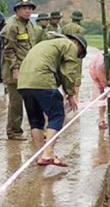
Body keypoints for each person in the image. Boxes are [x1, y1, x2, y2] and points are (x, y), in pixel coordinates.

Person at [17, 33, 88, 168]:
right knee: (57, 115)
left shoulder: (46, 44)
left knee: (36, 120)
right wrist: (70, 94)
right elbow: (68, 72)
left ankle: (41, 155)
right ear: (76, 43)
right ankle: (48, 153)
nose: (77, 55)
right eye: (79, 53)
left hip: (24, 83)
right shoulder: (69, 45)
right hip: (42, 80)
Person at [1, 0, 37, 140]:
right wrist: (15, 69)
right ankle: (14, 131)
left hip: (27, 68)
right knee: (16, 102)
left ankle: (36, 129)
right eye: (24, 8)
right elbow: (8, 51)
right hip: (14, 71)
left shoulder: (29, 24)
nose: (28, 11)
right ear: (17, 10)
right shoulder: (12, 26)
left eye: (30, 8)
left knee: (31, 99)